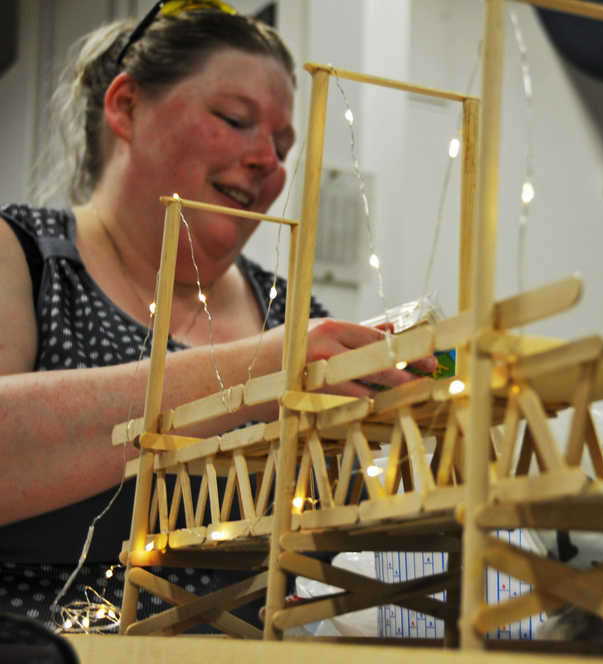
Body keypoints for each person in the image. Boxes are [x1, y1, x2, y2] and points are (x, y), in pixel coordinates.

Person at [0, 2, 432, 627]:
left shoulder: (295, 315)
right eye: (235, 120)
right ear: (125, 106)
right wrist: (259, 369)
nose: (268, 160)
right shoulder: (26, 257)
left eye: (283, 145)